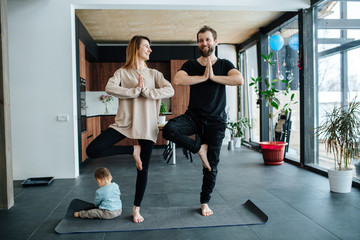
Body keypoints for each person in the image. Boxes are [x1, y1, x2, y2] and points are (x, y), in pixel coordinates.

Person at [86, 35, 174, 223]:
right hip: (124, 124)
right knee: (92, 150)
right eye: (146, 46)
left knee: (143, 170)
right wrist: (134, 91)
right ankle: (132, 150)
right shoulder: (122, 73)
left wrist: (148, 92)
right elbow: (109, 87)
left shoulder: (154, 74)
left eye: (150, 47)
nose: (150, 50)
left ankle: (136, 209)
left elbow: (170, 90)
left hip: (147, 126)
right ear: (136, 48)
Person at [162, 26, 243, 217]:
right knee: (169, 130)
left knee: (211, 166)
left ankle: (205, 202)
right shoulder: (191, 64)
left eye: (207, 39)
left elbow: (238, 79)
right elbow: (178, 79)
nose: (204, 43)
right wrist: (203, 77)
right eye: (200, 40)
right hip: (194, 117)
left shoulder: (224, 64)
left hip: (216, 122)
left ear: (215, 42)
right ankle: (199, 148)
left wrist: (213, 76)